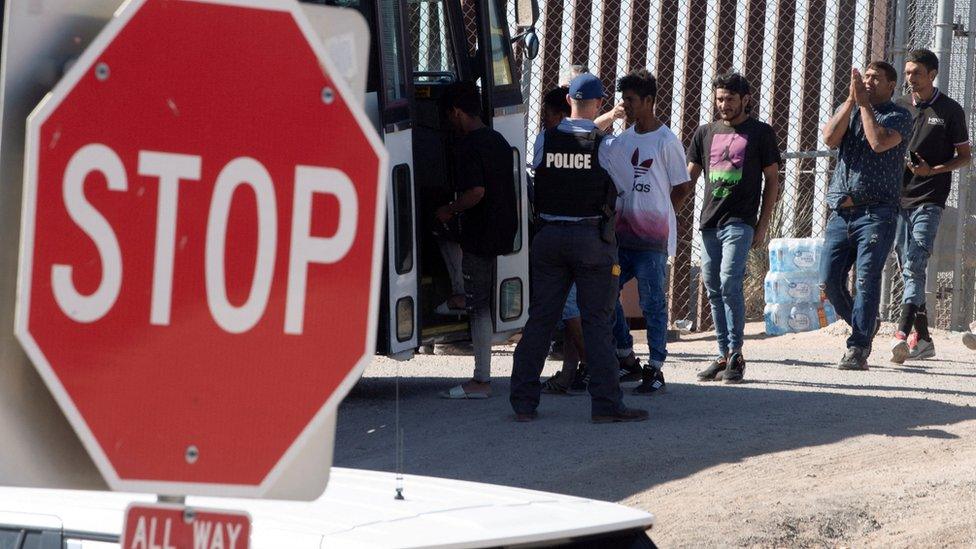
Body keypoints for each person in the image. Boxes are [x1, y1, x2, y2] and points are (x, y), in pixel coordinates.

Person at [509, 73, 648, 423]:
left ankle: (524, 403)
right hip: (590, 240)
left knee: (540, 320)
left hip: (549, 238)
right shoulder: (606, 146)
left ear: (569, 100)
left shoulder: (545, 139)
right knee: (597, 322)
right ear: (600, 103)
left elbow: (542, 170)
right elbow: (625, 189)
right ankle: (606, 404)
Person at [687, 73, 781, 383]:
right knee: (713, 287)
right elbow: (689, 178)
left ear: (745, 99)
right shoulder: (704, 133)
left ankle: (737, 354)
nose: (723, 105)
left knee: (729, 282)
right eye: (719, 99)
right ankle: (723, 354)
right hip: (709, 223)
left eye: (729, 99)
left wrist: (762, 225)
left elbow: (772, 181)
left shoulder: (760, 133)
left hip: (740, 222)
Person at [820, 62, 912, 370]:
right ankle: (866, 324)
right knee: (830, 280)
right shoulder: (851, 108)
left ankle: (858, 346)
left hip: (877, 212)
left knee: (866, 278)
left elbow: (877, 142)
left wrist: (863, 106)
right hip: (840, 212)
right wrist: (850, 102)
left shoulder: (898, 116)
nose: (869, 82)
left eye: (876, 79)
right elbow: (830, 138)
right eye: (866, 77)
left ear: (891, 86)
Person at [605, 69, 692, 395]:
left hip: (652, 241)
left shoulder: (666, 142)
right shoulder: (624, 140)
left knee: (652, 301)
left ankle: (655, 366)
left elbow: (681, 187)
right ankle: (625, 353)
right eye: (623, 99)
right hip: (622, 239)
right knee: (607, 291)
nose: (625, 105)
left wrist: (660, 213)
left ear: (649, 101)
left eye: (630, 99)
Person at [888, 49, 971, 364]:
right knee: (907, 266)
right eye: (907, 73)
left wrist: (931, 171)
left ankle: (901, 333)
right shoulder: (898, 108)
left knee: (917, 261)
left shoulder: (949, 110)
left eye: (917, 73)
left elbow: (964, 156)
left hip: (930, 198)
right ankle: (922, 338)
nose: (910, 78)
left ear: (932, 74)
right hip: (898, 199)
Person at [437, 82, 518, 399]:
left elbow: (476, 192)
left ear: (457, 112)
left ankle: (480, 381)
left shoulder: (468, 146)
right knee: (478, 298)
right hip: (501, 231)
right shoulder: (497, 140)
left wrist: (449, 209)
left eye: (450, 116)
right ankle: (457, 297)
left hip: (480, 233)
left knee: (478, 307)